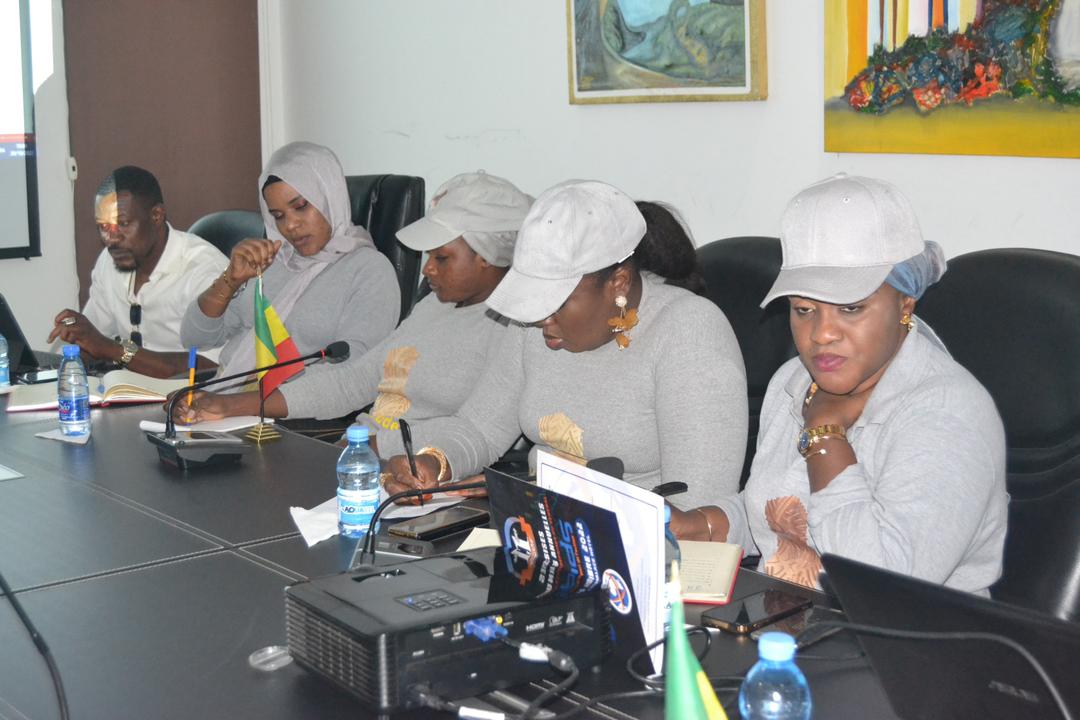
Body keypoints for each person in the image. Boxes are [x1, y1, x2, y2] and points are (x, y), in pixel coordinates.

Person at [675, 174, 1008, 596]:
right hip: (796, 624)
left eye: (850, 308)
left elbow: (881, 582)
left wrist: (826, 437)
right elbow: (780, 513)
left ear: (905, 303)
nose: (821, 334)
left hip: (910, 645)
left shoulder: (948, 412)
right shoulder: (794, 380)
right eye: (803, 309)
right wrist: (702, 524)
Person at [382, 180, 748, 510]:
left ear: (618, 283)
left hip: (641, 553)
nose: (541, 318)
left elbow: (697, 501)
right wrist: (434, 461)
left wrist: (550, 492)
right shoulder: (534, 325)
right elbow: (479, 428)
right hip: (538, 528)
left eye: (554, 302)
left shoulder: (690, 332)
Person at [172, 171, 532, 446]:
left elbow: (476, 430)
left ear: (487, 256)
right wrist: (232, 405)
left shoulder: (516, 330)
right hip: (358, 454)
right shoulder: (433, 308)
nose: (427, 270)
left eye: (441, 257)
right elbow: (355, 380)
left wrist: (373, 448)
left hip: (412, 473)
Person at [180, 142, 399, 389]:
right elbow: (194, 339)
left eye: (300, 206)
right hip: (227, 395)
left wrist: (248, 401)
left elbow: (354, 370)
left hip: (289, 412)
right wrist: (230, 280)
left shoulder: (369, 270)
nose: (290, 226)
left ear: (329, 197)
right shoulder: (269, 260)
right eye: (278, 216)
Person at [47, 166, 228, 377]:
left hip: (190, 401)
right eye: (103, 227)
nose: (111, 239)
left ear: (157, 215)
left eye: (123, 224)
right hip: (129, 395)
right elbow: (95, 339)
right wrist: (78, 343)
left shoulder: (204, 271)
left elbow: (213, 366)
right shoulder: (111, 259)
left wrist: (112, 349)